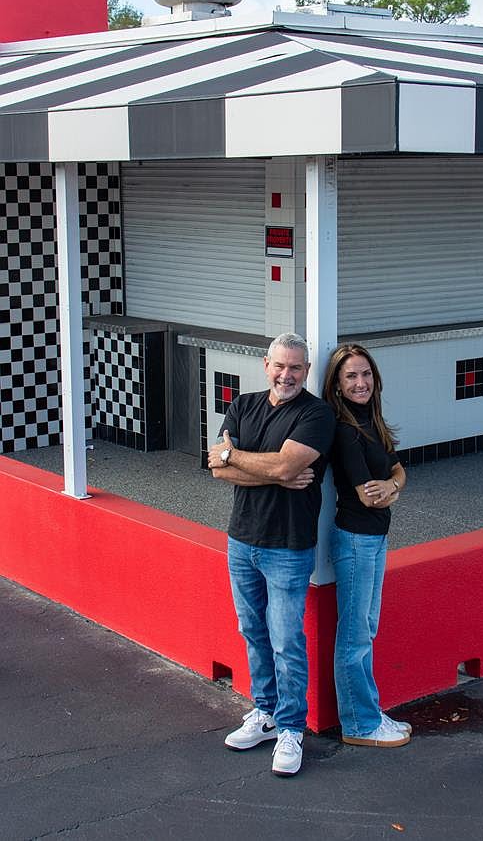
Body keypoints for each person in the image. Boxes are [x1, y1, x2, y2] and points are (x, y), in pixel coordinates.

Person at [208, 332, 335, 777]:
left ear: (306, 370)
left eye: (296, 367)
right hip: (241, 540)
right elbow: (215, 466)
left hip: (288, 545)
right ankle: (262, 713)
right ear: (266, 365)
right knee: (252, 632)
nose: (287, 374)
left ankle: (290, 729)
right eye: (280, 366)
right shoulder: (243, 405)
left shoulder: (317, 414)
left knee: (286, 641)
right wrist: (275, 476)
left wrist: (238, 456)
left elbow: (283, 463)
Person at [322, 343, 412, 747]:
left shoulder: (371, 422)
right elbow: (366, 496)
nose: (360, 383)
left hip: (375, 538)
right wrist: (391, 489)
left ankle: (368, 712)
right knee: (356, 634)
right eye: (351, 377)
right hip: (355, 539)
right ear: (338, 386)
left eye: (365, 374)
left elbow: (397, 472)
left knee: (367, 628)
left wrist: (392, 485)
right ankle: (359, 724)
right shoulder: (345, 430)